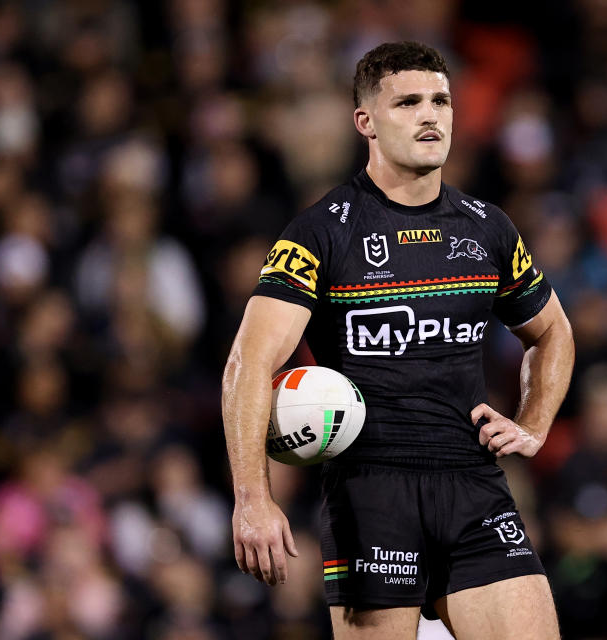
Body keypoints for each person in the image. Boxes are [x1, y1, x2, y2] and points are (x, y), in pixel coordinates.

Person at [222, 41, 574, 639]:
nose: (430, 114)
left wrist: (533, 422)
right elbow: (247, 363)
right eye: (408, 102)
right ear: (366, 122)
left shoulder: (488, 229)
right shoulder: (320, 233)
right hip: (370, 496)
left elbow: (552, 332)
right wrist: (252, 498)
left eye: (440, 100)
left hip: (474, 485)